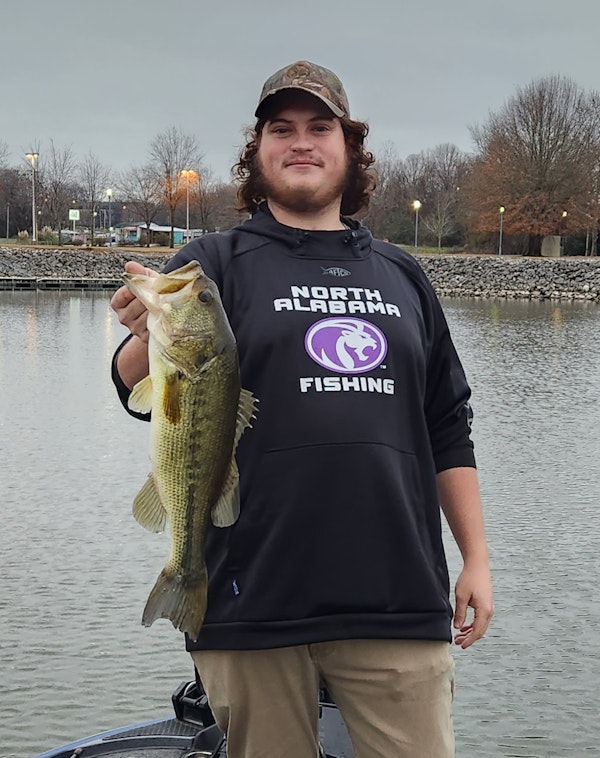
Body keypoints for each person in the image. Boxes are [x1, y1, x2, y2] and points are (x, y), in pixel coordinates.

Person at [110, 60, 494, 758]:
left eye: (320, 127)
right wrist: (145, 328)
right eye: (281, 129)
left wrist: (476, 559)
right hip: (249, 598)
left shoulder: (404, 274)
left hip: (399, 597)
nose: (301, 143)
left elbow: (448, 425)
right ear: (257, 151)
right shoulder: (213, 263)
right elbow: (134, 384)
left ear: (350, 149)